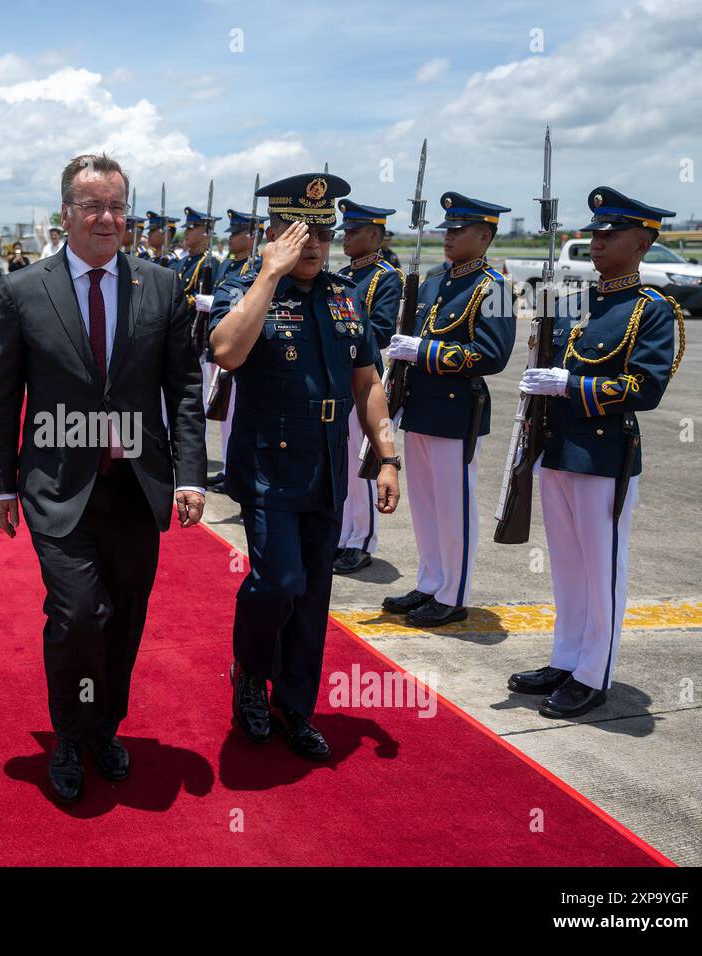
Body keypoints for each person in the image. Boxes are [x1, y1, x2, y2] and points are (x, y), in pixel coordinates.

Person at [0, 153, 206, 803]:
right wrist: (1, 483)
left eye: (117, 206)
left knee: (125, 618)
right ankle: (69, 735)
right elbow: (3, 395)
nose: (108, 218)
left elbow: (185, 390)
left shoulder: (161, 287)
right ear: (67, 215)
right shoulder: (24, 290)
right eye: (93, 206)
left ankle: (105, 729)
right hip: (58, 486)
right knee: (79, 614)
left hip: (137, 487)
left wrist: (190, 474)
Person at [207, 172, 402, 760]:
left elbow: (367, 382)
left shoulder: (346, 295)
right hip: (269, 463)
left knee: (314, 593)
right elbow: (225, 352)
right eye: (298, 230)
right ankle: (249, 676)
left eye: (322, 230)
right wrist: (268, 272)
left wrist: (387, 457)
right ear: (272, 233)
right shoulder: (246, 285)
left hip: (327, 466)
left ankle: (295, 705)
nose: (313, 242)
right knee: (279, 581)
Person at [509, 188, 685, 719]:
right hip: (558, 449)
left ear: (643, 242)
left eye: (611, 233)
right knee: (566, 564)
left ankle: (593, 673)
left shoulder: (650, 311)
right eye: (596, 232)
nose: (598, 241)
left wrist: (572, 386)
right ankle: (566, 658)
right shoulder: (573, 303)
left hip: (604, 455)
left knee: (601, 566)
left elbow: (646, 388)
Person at [381, 192, 516, 627]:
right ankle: (430, 581)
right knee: (424, 504)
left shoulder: (494, 288)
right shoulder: (433, 280)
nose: (449, 237)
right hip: (419, 405)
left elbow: (491, 355)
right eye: (448, 230)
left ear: (485, 236)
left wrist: (424, 351)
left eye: (459, 231)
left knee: (453, 505)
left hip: (457, 410)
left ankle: (453, 593)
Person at [333, 199, 404, 574]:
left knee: (362, 464)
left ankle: (361, 540)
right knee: (341, 463)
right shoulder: (343, 274)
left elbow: (381, 330)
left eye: (354, 231)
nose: (346, 238)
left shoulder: (386, 277)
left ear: (375, 236)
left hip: (364, 379)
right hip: (338, 378)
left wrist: (341, 335)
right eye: (344, 231)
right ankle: (343, 534)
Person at [205, 208, 265, 493]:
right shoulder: (228, 266)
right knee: (224, 413)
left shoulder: (253, 268)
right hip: (219, 343)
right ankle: (230, 469)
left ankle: (234, 471)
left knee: (233, 412)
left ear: (253, 236)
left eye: (237, 233)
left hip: (242, 349)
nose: (231, 239)